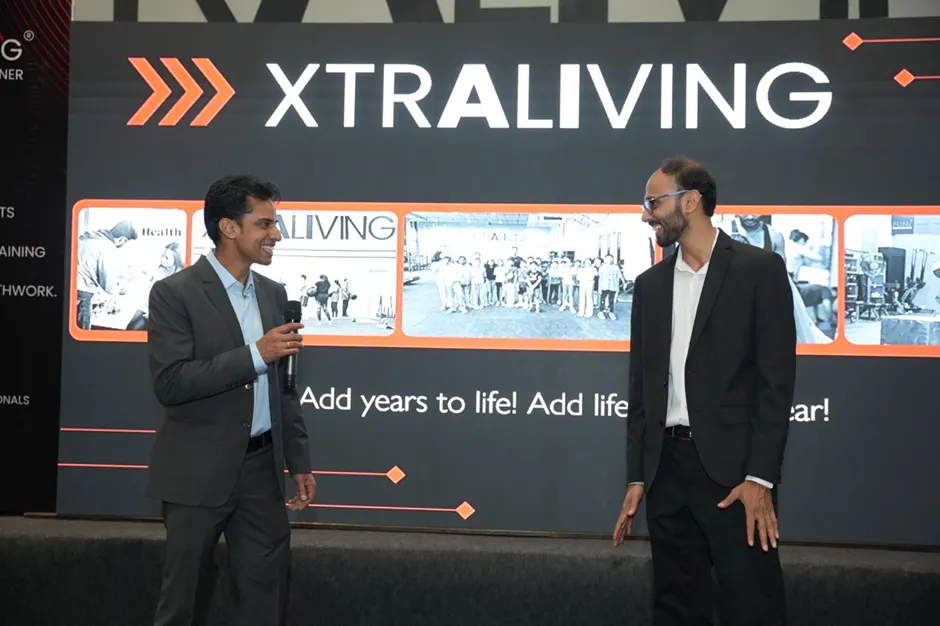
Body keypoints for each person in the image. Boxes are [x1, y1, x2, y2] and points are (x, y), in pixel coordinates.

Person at [613, 158, 796, 626]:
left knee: (752, 607)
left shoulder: (759, 270)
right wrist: (637, 477)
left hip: (735, 478)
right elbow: (641, 390)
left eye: (653, 203)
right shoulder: (650, 286)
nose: (646, 215)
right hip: (666, 475)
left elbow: (775, 385)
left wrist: (760, 479)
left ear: (691, 202)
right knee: (676, 607)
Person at [145, 174, 316, 626]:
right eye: (264, 224)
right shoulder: (174, 293)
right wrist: (255, 354)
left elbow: (285, 388)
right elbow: (171, 382)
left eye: (275, 224)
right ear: (229, 227)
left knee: (265, 599)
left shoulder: (274, 294)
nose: (276, 234)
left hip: (262, 472)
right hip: (196, 472)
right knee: (182, 603)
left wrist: (297, 459)